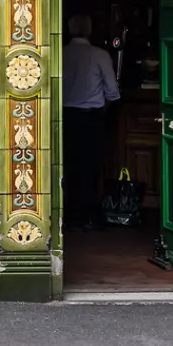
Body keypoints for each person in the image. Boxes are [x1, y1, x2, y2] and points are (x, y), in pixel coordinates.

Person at [61, 14, 121, 230]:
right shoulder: (100, 55)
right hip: (91, 118)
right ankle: (87, 216)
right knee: (90, 168)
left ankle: (67, 215)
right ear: (90, 30)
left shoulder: (61, 54)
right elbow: (113, 93)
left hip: (64, 118)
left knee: (68, 167)